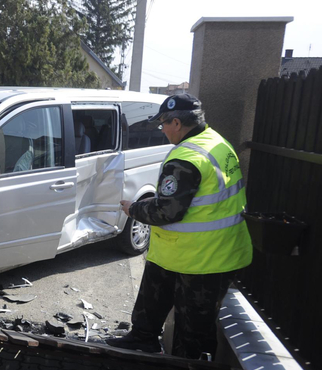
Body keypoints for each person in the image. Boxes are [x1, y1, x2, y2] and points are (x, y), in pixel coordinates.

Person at [107, 94, 252, 360]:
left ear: (176, 122)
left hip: (204, 259)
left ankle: (184, 361)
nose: (161, 129)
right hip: (186, 252)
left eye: (163, 123)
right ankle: (143, 338)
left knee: (191, 334)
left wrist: (134, 209)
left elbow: (167, 211)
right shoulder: (217, 142)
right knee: (152, 298)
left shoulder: (186, 157)